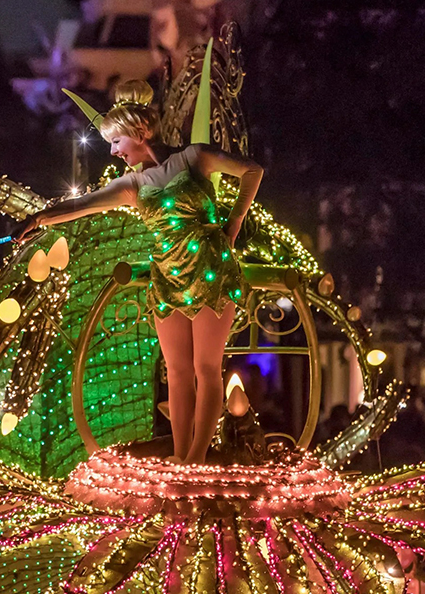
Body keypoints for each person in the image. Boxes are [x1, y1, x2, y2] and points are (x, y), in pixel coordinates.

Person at [13, 80, 262, 464]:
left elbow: (252, 171)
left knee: (206, 367)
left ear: (138, 133)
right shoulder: (132, 184)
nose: (114, 153)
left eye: (116, 142)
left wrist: (234, 222)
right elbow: (82, 205)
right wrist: (40, 219)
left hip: (210, 269)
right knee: (177, 373)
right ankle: (182, 457)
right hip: (168, 277)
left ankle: (197, 457)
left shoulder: (194, 158)